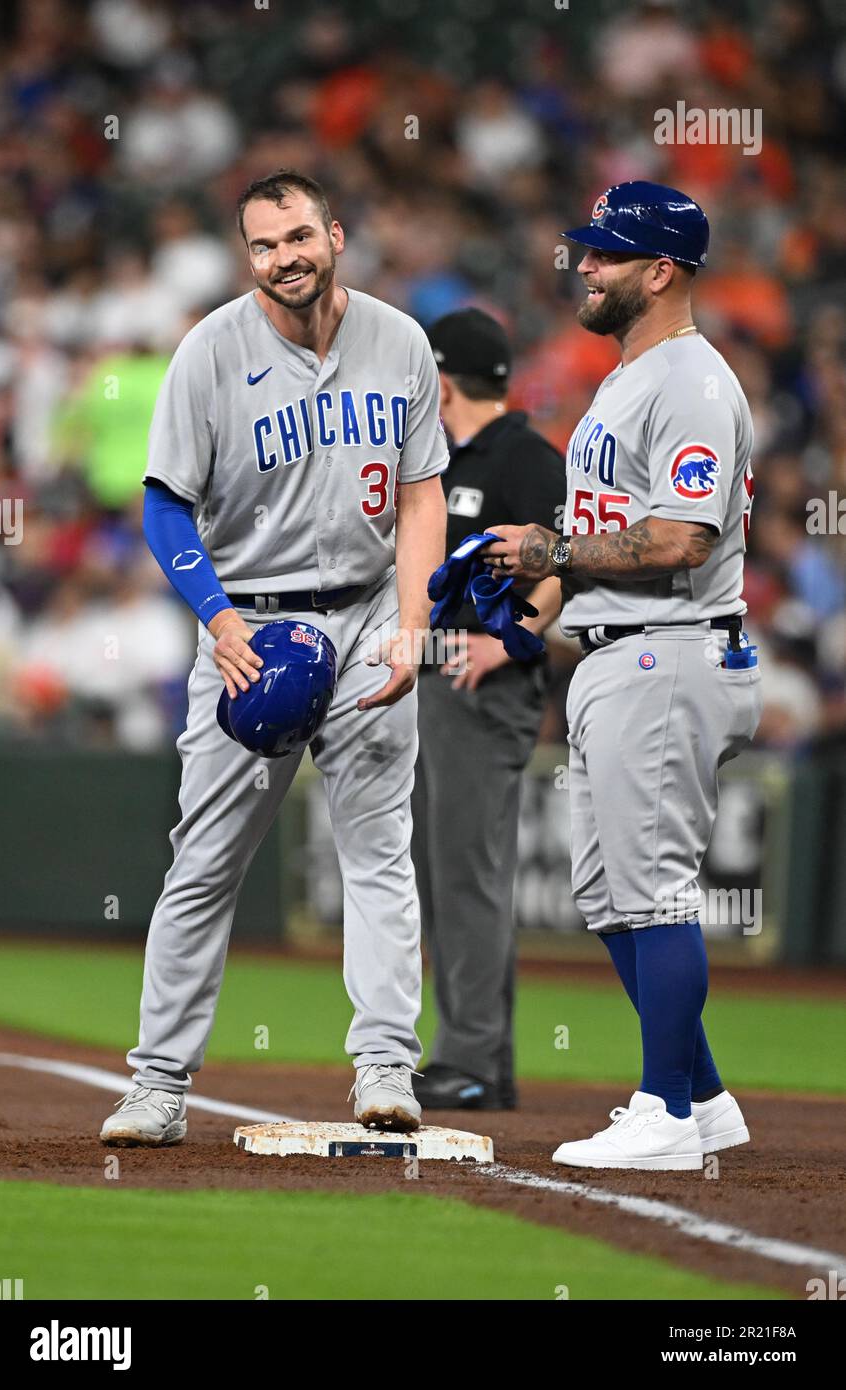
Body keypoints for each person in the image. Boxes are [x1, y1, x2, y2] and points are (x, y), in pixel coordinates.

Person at [99, 169, 448, 1146]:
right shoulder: (209, 352)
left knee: (377, 856)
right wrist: (216, 622)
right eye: (261, 245)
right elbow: (164, 501)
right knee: (204, 862)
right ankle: (159, 1084)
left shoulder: (400, 340)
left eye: (297, 236)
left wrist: (413, 622)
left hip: (369, 611)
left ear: (334, 233)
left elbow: (421, 496)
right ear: (244, 255)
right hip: (249, 627)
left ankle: (385, 1068)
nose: (282, 258)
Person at [483, 182, 762, 1170]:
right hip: (621, 652)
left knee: (651, 893)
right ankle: (701, 1094)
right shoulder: (630, 376)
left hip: (666, 646)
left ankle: (661, 1115)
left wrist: (546, 551)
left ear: (661, 271)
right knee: (608, 898)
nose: (583, 267)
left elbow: (680, 539)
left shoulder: (686, 378)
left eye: (604, 254)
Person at [411, 308, 565, 1112]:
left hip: (484, 682)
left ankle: (468, 1057)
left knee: (467, 874)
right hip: (434, 678)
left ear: (440, 380)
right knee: (442, 875)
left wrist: (512, 644)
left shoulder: (523, 456)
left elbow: (571, 556)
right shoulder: (443, 456)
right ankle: (484, 1062)